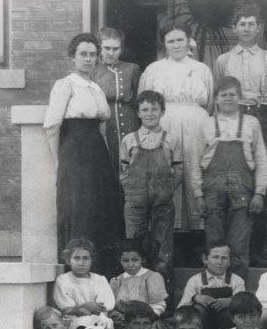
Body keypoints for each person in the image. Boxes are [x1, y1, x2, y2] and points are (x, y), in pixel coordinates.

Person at [43, 33, 123, 266]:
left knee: (102, 208)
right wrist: (60, 162)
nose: (88, 59)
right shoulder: (66, 84)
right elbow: (51, 125)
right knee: (82, 209)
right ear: (72, 57)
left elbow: (101, 125)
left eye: (92, 55)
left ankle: (102, 274)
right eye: (83, 54)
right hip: (75, 152)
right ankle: (77, 273)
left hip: (97, 153)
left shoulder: (95, 87)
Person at [213, 4, 267, 267]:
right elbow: (219, 94)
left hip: (260, 116)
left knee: (257, 180)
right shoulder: (223, 60)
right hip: (231, 117)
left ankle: (255, 247)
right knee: (233, 177)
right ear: (234, 28)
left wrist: (262, 123)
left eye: (251, 24)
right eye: (242, 24)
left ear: (259, 27)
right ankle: (226, 250)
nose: (247, 28)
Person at [139, 20, 213, 256]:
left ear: (188, 41)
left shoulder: (201, 69)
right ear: (164, 44)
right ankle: (170, 236)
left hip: (196, 123)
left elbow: (210, 102)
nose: (176, 45)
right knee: (168, 173)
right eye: (171, 41)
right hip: (165, 122)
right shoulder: (154, 69)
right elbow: (145, 101)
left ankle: (198, 233)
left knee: (195, 171)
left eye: (180, 39)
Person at [194, 76, 267, 280]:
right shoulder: (206, 124)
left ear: (240, 97)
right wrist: (198, 194)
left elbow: (261, 159)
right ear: (216, 98)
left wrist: (260, 192)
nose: (228, 99)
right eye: (223, 95)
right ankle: (214, 289)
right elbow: (195, 161)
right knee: (215, 244)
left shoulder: (251, 123)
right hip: (212, 189)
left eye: (232, 95)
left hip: (242, 189)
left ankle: (238, 295)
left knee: (238, 245)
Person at [120, 90, 183, 286]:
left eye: (154, 109)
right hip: (135, 202)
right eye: (145, 109)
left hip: (162, 201)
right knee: (133, 249)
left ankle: (163, 301)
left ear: (162, 112)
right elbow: (123, 171)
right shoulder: (129, 140)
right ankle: (134, 296)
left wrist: (166, 190)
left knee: (162, 249)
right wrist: (132, 191)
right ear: (138, 113)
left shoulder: (171, 139)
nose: (149, 114)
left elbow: (179, 170)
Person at [92, 27, 141, 185]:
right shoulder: (93, 71)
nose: (110, 53)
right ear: (100, 48)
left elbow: (138, 101)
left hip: (129, 124)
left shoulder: (132, 69)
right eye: (106, 48)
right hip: (104, 126)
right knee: (107, 172)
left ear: (121, 49)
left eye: (115, 49)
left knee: (131, 169)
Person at [177, 240, 246, 329]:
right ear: (205, 259)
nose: (220, 262)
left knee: (231, 311)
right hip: (203, 327)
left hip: (226, 326)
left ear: (229, 261)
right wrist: (195, 297)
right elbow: (181, 309)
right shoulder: (195, 281)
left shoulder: (237, 281)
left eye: (224, 258)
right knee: (198, 309)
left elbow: (244, 306)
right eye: (215, 257)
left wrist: (231, 301)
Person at [53, 238, 115, 329]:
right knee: (84, 323)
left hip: (98, 318)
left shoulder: (100, 279)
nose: (81, 263)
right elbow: (66, 308)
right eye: (76, 258)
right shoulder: (64, 280)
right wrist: (84, 306)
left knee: (105, 324)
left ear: (91, 260)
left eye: (86, 258)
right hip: (74, 321)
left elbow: (106, 304)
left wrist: (95, 309)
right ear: (69, 260)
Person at [108, 237, 169, 329]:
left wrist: (146, 319)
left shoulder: (151, 278)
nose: (130, 264)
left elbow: (159, 305)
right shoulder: (117, 281)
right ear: (120, 260)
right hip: (122, 322)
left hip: (146, 321)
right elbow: (111, 306)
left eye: (135, 260)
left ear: (143, 259)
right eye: (126, 261)